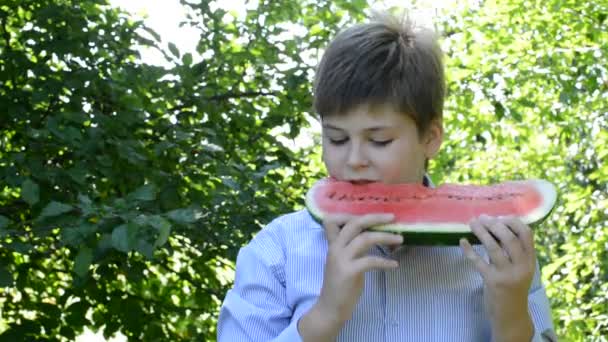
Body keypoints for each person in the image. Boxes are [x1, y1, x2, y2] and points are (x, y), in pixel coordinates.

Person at [217, 10, 557, 342]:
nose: (353, 160)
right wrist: (325, 315)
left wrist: (513, 320)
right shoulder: (277, 252)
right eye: (336, 138)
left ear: (430, 137)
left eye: (378, 141)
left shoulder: (498, 250)